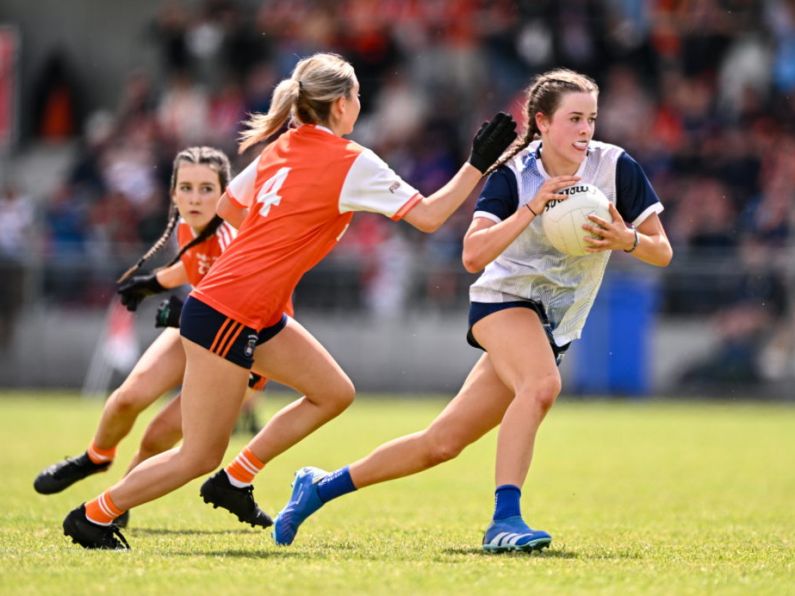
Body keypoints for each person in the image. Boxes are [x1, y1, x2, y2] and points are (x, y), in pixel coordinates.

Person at [60, 52, 517, 550]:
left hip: (250, 307)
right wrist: (477, 164)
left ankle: (237, 479)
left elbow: (230, 210)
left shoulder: (281, 148)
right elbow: (429, 217)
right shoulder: (350, 160)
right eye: (358, 95)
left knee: (333, 392)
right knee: (197, 455)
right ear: (342, 105)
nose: (360, 104)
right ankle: (94, 515)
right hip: (233, 311)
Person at [267, 68, 674, 552]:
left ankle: (319, 487)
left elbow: (661, 250)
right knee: (541, 385)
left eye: (591, 119)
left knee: (440, 444)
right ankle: (506, 519)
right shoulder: (514, 173)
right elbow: (472, 254)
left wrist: (626, 239)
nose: (586, 130)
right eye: (574, 119)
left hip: (553, 325)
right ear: (541, 122)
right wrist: (531, 209)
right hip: (502, 303)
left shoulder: (615, 167)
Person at [36, 146, 272, 528]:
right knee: (127, 398)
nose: (195, 198)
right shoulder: (185, 225)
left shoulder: (231, 237)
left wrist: (184, 311)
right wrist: (153, 283)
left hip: (239, 348)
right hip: (199, 332)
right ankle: (96, 456)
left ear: (226, 193)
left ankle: (117, 502)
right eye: (187, 188)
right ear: (173, 193)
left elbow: (246, 299)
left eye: (207, 189)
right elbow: (194, 266)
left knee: (160, 435)